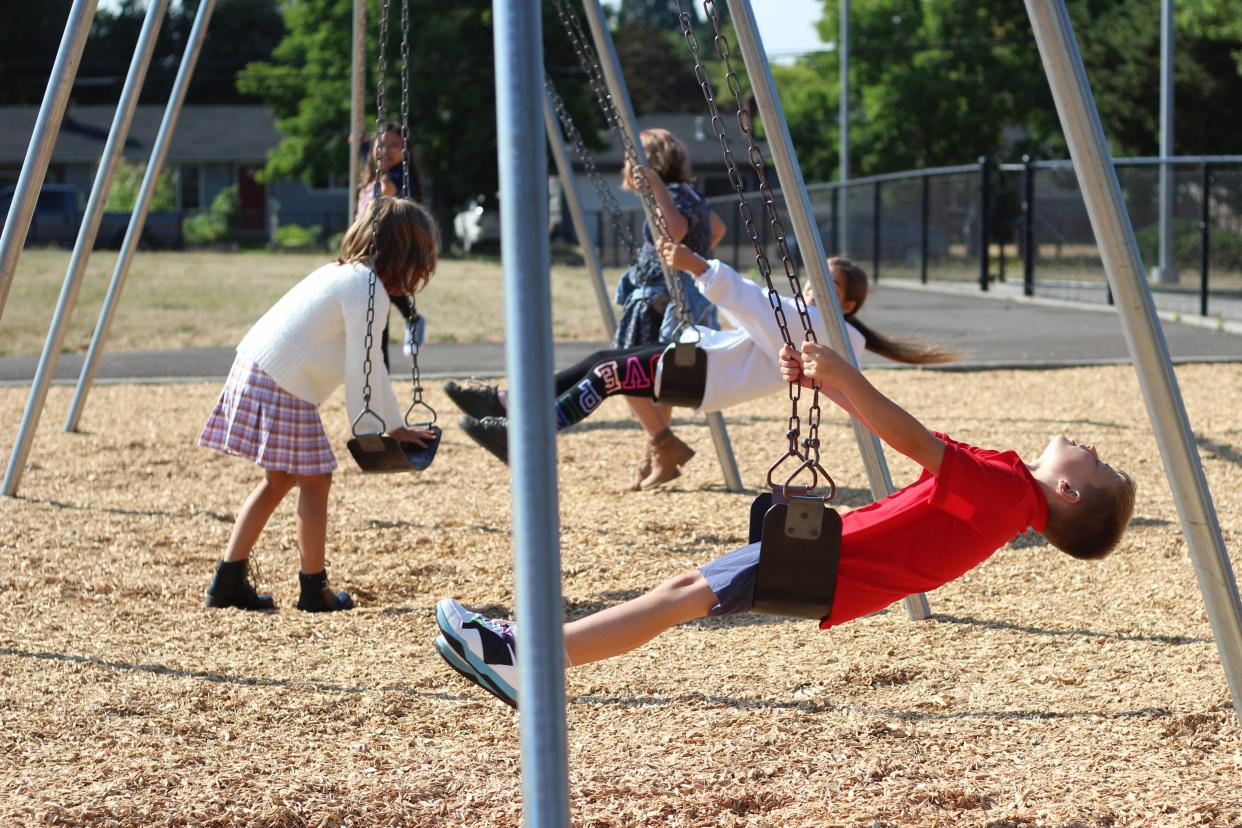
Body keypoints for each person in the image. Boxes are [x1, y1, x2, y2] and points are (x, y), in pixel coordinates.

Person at [433, 339, 1136, 707]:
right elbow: (923, 466)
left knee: (679, 597)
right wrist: (828, 384)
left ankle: (527, 661)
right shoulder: (1005, 495)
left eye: (1099, 464)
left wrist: (842, 377)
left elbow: (915, 441)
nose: (1094, 447)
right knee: (682, 593)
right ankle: (530, 653)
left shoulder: (1009, 490)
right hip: (839, 567)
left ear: (1070, 492)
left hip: (831, 563)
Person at [446, 241, 956, 478]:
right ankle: (510, 403)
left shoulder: (829, 329)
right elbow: (759, 315)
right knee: (604, 360)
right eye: (812, 279)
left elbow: (759, 303)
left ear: (848, 303)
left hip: (699, 376)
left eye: (827, 286)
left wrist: (700, 267)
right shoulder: (821, 322)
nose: (810, 289)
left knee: (605, 374)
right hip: (697, 363)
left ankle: (525, 436)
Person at [199, 198, 439, 613]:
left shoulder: (345, 275)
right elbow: (363, 367)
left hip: (258, 366)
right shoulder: (367, 290)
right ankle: (313, 589)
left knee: (280, 480)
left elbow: (371, 364)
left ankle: (229, 578)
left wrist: (394, 425)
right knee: (316, 479)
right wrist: (372, 433)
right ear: (407, 257)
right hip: (281, 380)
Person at [611, 128, 727, 489]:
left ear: (653, 165)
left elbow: (674, 229)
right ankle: (655, 456)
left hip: (656, 298)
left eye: (634, 160)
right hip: (669, 294)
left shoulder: (672, 193)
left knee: (626, 374)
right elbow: (716, 229)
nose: (628, 167)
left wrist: (657, 188)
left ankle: (665, 446)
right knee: (656, 381)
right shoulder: (690, 193)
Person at [357, 123, 422, 371]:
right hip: (368, 253)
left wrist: (388, 190)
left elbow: (400, 196)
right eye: (381, 144)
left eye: (394, 145)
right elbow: (369, 155)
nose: (386, 150)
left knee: (378, 312)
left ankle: (412, 319)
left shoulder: (398, 178)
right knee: (375, 315)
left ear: (405, 151)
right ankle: (411, 319)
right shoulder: (372, 173)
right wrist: (362, 143)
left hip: (389, 252)